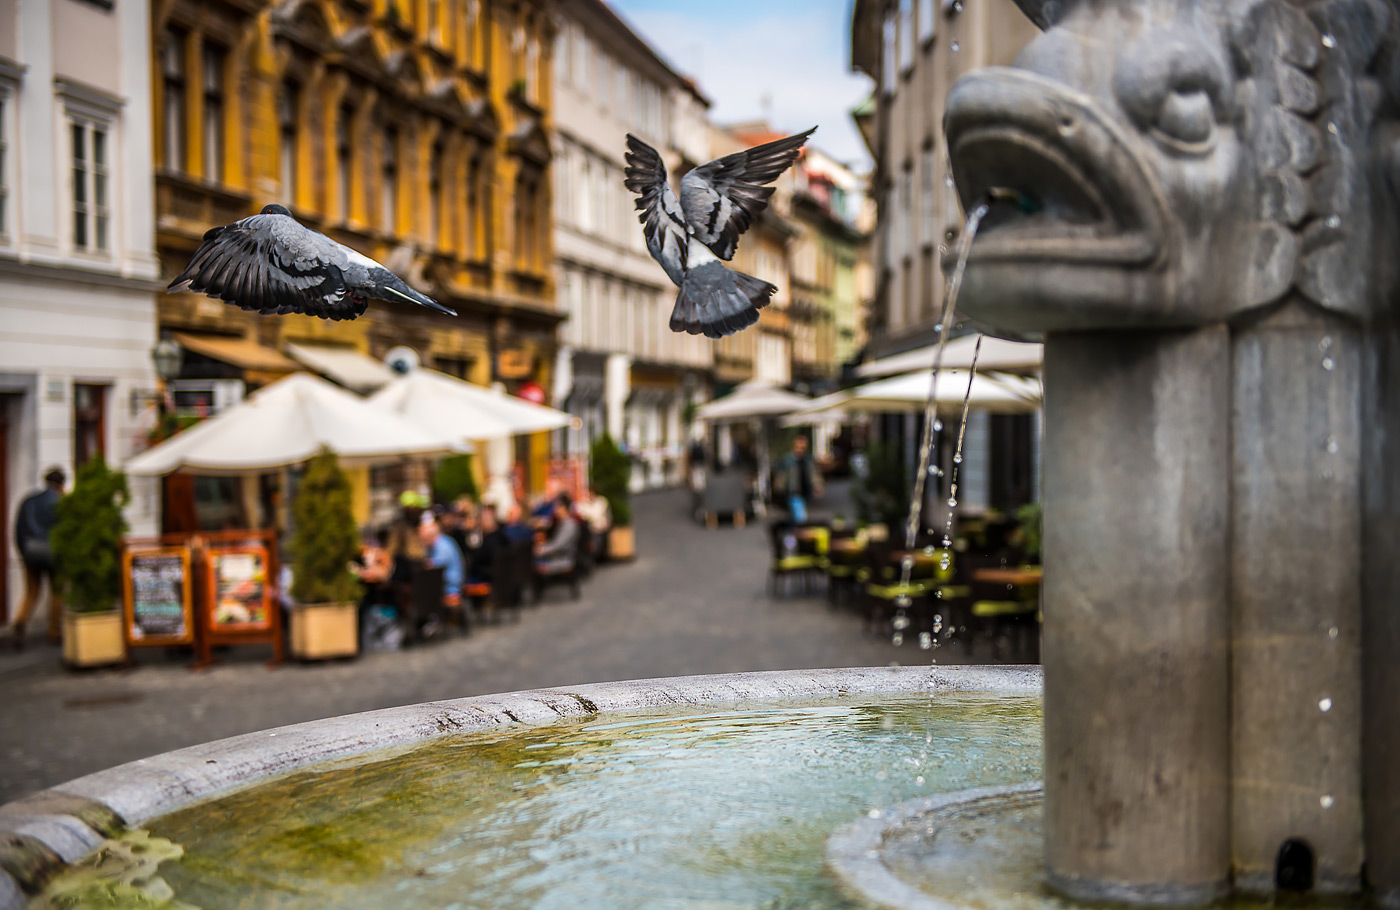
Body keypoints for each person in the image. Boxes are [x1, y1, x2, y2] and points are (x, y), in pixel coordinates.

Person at [8, 467, 66, 649]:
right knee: (57, 593)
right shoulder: (59, 503)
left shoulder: (29, 501)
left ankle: (21, 621)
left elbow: (18, 529)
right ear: (61, 484)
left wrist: (23, 553)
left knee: (31, 592)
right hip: (54, 554)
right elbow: (65, 530)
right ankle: (54, 632)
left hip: (31, 553)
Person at [418, 515, 464, 612]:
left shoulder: (443, 546)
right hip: (446, 585)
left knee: (419, 594)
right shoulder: (439, 543)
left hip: (450, 589)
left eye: (422, 538)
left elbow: (431, 568)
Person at [534, 494, 581, 576]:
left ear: (563, 507)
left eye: (557, 506)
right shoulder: (563, 522)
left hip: (562, 560)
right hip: (560, 556)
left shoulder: (569, 525)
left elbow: (558, 545)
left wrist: (541, 550)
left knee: (531, 565)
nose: (554, 510)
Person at [776, 435, 818, 524]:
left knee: (794, 516)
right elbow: (781, 474)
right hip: (793, 491)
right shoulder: (788, 460)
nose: (800, 450)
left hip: (805, 491)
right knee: (800, 516)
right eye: (798, 447)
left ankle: (792, 532)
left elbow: (813, 473)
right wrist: (779, 487)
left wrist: (817, 484)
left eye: (803, 448)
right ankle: (798, 530)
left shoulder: (807, 460)